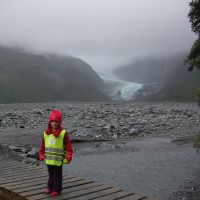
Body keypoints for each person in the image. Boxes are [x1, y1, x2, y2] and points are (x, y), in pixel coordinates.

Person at [38, 109, 73, 197]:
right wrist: (41, 154)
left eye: (56, 121)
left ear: (59, 122)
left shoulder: (63, 133)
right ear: (49, 122)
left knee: (57, 174)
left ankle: (57, 189)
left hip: (58, 160)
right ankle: (50, 187)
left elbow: (68, 145)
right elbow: (42, 145)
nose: (54, 123)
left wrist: (68, 155)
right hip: (49, 160)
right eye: (52, 121)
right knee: (50, 174)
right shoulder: (46, 133)